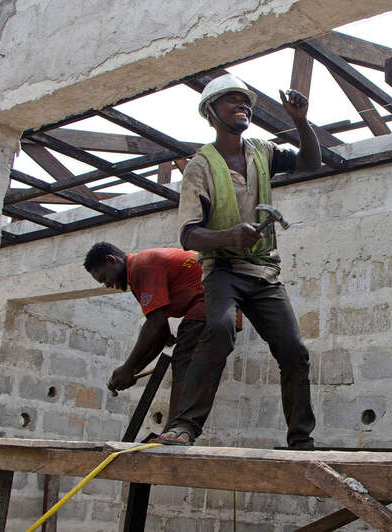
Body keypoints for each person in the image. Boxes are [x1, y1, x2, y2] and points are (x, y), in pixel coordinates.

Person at [164, 73, 322, 449]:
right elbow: (189, 235)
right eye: (232, 100)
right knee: (218, 329)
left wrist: (300, 120)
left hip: (264, 273)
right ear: (211, 113)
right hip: (224, 270)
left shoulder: (261, 151)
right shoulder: (200, 166)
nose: (242, 106)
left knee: (294, 351)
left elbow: (311, 163)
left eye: (245, 101)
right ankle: (186, 425)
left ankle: (301, 440)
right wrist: (228, 237)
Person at [83, 242, 230, 440]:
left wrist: (128, 368)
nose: (107, 284)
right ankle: (174, 429)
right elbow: (160, 334)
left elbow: (155, 324)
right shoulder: (138, 274)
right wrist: (132, 370)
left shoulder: (141, 266)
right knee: (183, 363)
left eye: (104, 278)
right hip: (213, 302)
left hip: (211, 302)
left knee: (184, 364)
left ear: (111, 260)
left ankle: (175, 431)